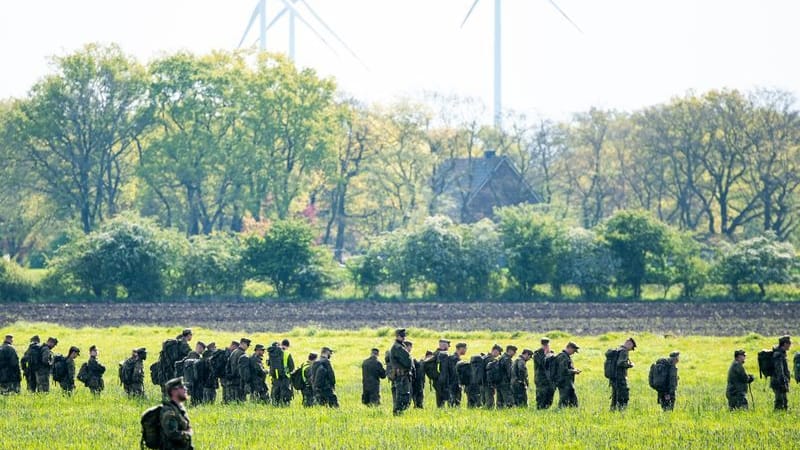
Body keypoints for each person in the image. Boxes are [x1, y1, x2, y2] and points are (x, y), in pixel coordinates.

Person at [160, 377, 193, 450]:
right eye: (181, 387)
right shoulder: (169, 412)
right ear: (173, 391)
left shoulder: (179, 410)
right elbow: (172, 434)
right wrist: (188, 433)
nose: (185, 389)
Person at [389, 329, 412, 415]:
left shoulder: (400, 346)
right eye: (402, 336)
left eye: (404, 336)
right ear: (397, 336)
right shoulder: (398, 348)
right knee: (402, 396)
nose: (404, 338)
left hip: (402, 375)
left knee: (403, 395)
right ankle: (398, 413)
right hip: (401, 376)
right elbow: (407, 362)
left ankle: (399, 413)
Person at [610, 337, 637, 411]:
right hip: (620, 378)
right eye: (632, 347)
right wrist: (630, 365)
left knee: (615, 398)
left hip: (614, 378)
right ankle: (621, 413)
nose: (631, 349)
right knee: (623, 397)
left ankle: (612, 412)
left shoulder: (618, 349)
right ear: (629, 343)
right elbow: (620, 363)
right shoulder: (624, 351)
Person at [554, 342, 581, 408]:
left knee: (573, 400)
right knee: (564, 400)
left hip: (568, 382)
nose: (574, 353)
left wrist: (574, 370)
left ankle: (573, 412)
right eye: (573, 350)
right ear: (569, 348)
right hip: (563, 382)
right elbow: (563, 371)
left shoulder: (566, 356)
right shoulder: (563, 357)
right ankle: (560, 413)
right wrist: (574, 371)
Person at [269, 339, 295, 406]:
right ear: (288, 346)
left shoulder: (273, 352)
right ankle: (285, 405)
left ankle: (275, 404)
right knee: (285, 392)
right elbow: (292, 367)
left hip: (275, 376)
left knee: (276, 391)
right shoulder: (287, 353)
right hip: (285, 376)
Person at [532, 338, 555, 409]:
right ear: (542, 345)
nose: (546, 346)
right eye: (544, 345)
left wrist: (550, 355)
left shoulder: (551, 352)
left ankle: (547, 408)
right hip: (541, 378)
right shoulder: (537, 353)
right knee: (541, 396)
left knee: (549, 395)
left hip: (550, 378)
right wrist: (545, 355)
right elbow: (541, 364)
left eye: (547, 345)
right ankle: (540, 409)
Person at [771, 335, 791, 411]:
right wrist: (783, 383)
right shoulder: (778, 355)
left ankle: (782, 416)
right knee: (779, 402)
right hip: (778, 382)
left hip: (780, 381)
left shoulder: (781, 353)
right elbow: (779, 370)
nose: (790, 345)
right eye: (789, 343)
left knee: (784, 401)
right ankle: (777, 417)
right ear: (785, 344)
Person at [226, 338, 250, 402]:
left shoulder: (233, 352)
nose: (248, 347)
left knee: (232, 402)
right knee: (240, 402)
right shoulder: (242, 354)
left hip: (231, 382)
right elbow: (243, 371)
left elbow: (228, 367)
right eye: (247, 345)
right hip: (239, 383)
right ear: (243, 344)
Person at [431, 339, 451, 408]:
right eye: (447, 345)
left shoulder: (435, 354)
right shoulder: (441, 354)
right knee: (443, 398)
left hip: (438, 379)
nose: (448, 347)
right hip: (442, 379)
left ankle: (441, 411)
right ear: (444, 345)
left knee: (440, 398)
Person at [482, 344, 502, 409]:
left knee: (484, 401)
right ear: (495, 351)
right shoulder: (490, 360)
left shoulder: (484, 357)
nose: (498, 355)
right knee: (490, 403)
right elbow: (490, 373)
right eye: (498, 353)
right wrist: (492, 383)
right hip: (488, 383)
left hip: (481, 382)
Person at [448, 342, 467, 407]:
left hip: (454, 383)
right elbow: (454, 372)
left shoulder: (455, 358)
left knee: (456, 402)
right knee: (453, 402)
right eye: (465, 348)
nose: (466, 350)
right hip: (453, 383)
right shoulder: (455, 359)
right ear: (461, 349)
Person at [409, 343, 426, 409]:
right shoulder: (420, 364)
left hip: (412, 380)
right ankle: (418, 406)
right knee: (418, 394)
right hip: (417, 381)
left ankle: (417, 405)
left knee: (414, 394)